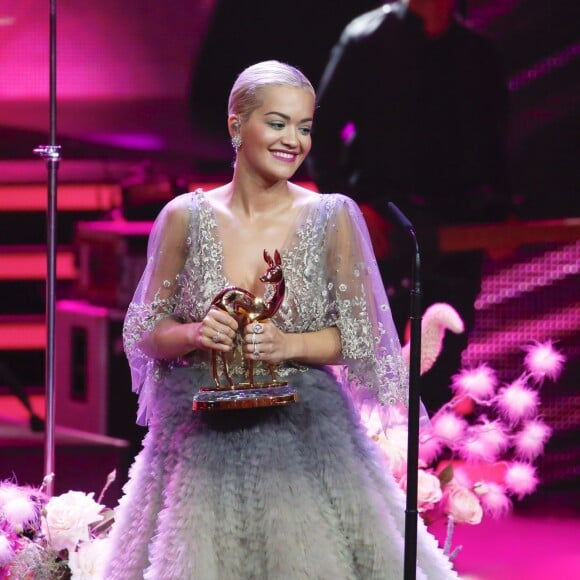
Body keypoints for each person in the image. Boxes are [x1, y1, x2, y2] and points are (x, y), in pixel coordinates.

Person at [104, 60, 458, 579]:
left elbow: (361, 337)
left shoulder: (330, 215)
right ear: (235, 124)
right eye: (277, 123)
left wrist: (288, 344)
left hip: (306, 432)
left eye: (305, 127)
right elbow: (143, 331)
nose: (294, 140)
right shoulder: (184, 216)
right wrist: (192, 333)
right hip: (199, 437)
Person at [308, 0, 511, 414]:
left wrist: (502, 213)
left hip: (458, 227)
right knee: (369, 360)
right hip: (384, 224)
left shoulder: (478, 52)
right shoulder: (366, 38)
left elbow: (497, 144)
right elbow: (321, 131)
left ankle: (428, 466)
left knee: (444, 362)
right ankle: (374, 466)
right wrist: (351, 208)